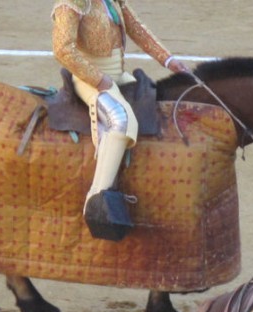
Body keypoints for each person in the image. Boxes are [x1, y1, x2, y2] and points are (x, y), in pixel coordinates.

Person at [51, 0, 191, 239]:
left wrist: (167, 60)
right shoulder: (73, 3)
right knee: (120, 120)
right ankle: (96, 200)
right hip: (89, 79)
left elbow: (136, 27)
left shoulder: (112, 1)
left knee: (155, 103)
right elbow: (63, 49)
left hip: (118, 75)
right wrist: (98, 79)